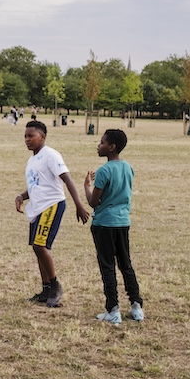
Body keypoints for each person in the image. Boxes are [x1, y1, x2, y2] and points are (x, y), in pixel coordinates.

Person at [15, 120, 90, 308]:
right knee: (36, 247)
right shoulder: (32, 160)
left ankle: (55, 286)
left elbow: (67, 179)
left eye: (31, 136)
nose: (27, 139)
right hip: (38, 207)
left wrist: (79, 204)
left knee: (41, 245)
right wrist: (22, 196)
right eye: (25, 136)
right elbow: (37, 185)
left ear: (43, 137)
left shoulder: (50, 155)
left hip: (52, 204)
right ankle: (46, 289)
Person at [83, 129, 143, 325]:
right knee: (126, 264)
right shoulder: (128, 168)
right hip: (122, 222)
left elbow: (93, 202)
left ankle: (113, 309)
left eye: (101, 142)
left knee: (107, 266)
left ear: (112, 147)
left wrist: (86, 185)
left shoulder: (104, 171)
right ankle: (136, 306)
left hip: (104, 224)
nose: (98, 145)